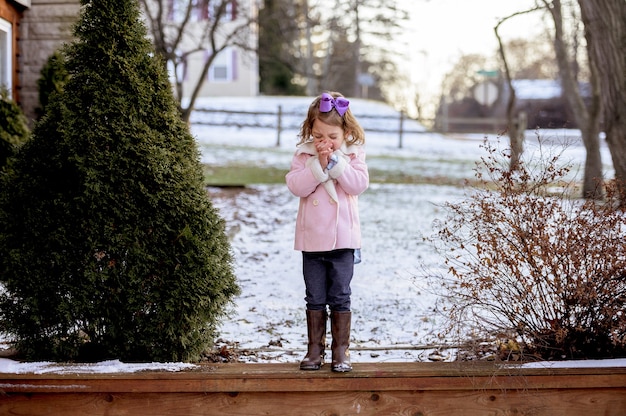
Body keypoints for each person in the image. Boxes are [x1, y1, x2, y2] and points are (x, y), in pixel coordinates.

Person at [286, 91, 369, 372]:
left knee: (341, 295)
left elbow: (357, 185)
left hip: (343, 239)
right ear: (310, 131)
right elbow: (297, 186)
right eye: (319, 136)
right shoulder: (303, 155)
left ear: (345, 132)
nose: (326, 143)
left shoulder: (354, 155)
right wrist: (318, 165)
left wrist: (336, 163)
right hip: (312, 240)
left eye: (332, 137)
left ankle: (340, 351)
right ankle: (314, 349)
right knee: (315, 296)